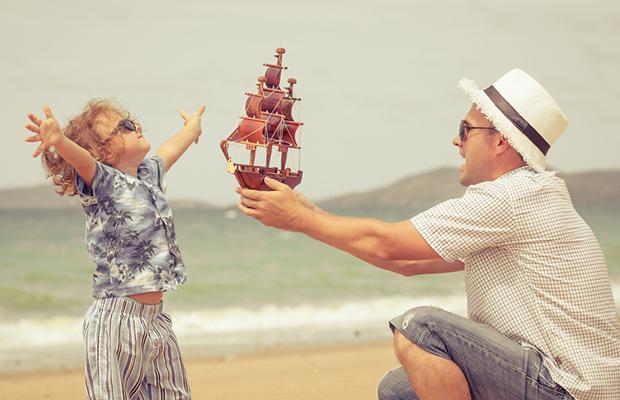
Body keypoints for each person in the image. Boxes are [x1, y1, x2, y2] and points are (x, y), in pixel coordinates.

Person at [236, 69, 620, 400]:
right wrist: (307, 215)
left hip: (570, 388)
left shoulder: (512, 197)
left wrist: (301, 221)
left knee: (420, 327)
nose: (456, 141)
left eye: (465, 130)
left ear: (501, 141)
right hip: (558, 381)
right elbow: (408, 262)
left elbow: (386, 243)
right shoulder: (526, 200)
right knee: (399, 389)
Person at [24, 100, 206, 399]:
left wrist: (191, 128)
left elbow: (171, 149)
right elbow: (82, 161)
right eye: (124, 126)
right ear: (103, 151)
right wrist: (60, 141)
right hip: (115, 322)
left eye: (132, 121)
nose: (136, 127)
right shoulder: (103, 181)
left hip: (155, 320)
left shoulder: (149, 174)